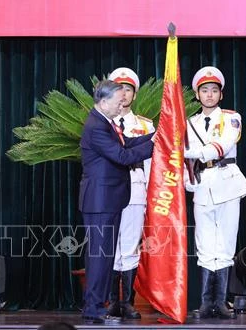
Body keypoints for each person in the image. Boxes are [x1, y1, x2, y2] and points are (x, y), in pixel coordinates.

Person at [79, 79, 155, 324]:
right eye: (116, 100)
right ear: (103, 101)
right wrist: (155, 146)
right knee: (100, 257)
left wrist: (156, 137)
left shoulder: (105, 123)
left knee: (105, 256)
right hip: (100, 201)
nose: (120, 104)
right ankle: (93, 307)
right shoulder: (96, 127)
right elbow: (123, 156)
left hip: (108, 200)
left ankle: (96, 305)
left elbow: (128, 143)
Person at [183, 66, 246, 319]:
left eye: (214, 90)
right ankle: (205, 303)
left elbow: (222, 146)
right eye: (204, 90)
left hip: (226, 183)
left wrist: (190, 153)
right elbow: (184, 161)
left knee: (224, 244)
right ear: (197, 94)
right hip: (201, 185)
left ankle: (221, 302)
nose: (209, 95)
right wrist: (186, 180)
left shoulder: (231, 118)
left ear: (221, 94)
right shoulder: (189, 122)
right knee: (204, 245)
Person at [106, 68, 155, 320]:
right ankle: (113, 301)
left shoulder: (145, 125)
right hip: (109, 192)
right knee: (111, 248)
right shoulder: (103, 122)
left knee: (130, 247)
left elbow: (151, 163)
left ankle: (127, 302)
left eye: (128, 89)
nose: (123, 94)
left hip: (136, 188)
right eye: (119, 89)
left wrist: (150, 195)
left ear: (134, 95)